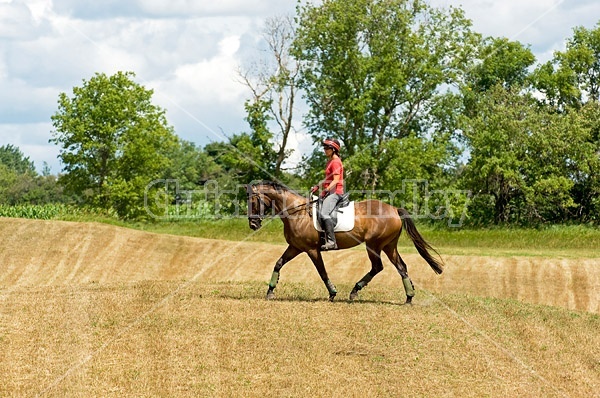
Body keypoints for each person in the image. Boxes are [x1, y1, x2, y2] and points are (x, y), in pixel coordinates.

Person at [312, 138, 344, 251]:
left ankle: (331, 242)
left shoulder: (335, 162)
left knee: (324, 214)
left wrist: (325, 191)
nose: (324, 150)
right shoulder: (330, 161)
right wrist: (317, 186)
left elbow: (335, 181)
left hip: (335, 192)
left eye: (327, 148)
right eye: (324, 148)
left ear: (333, 149)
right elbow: (327, 179)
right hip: (329, 191)